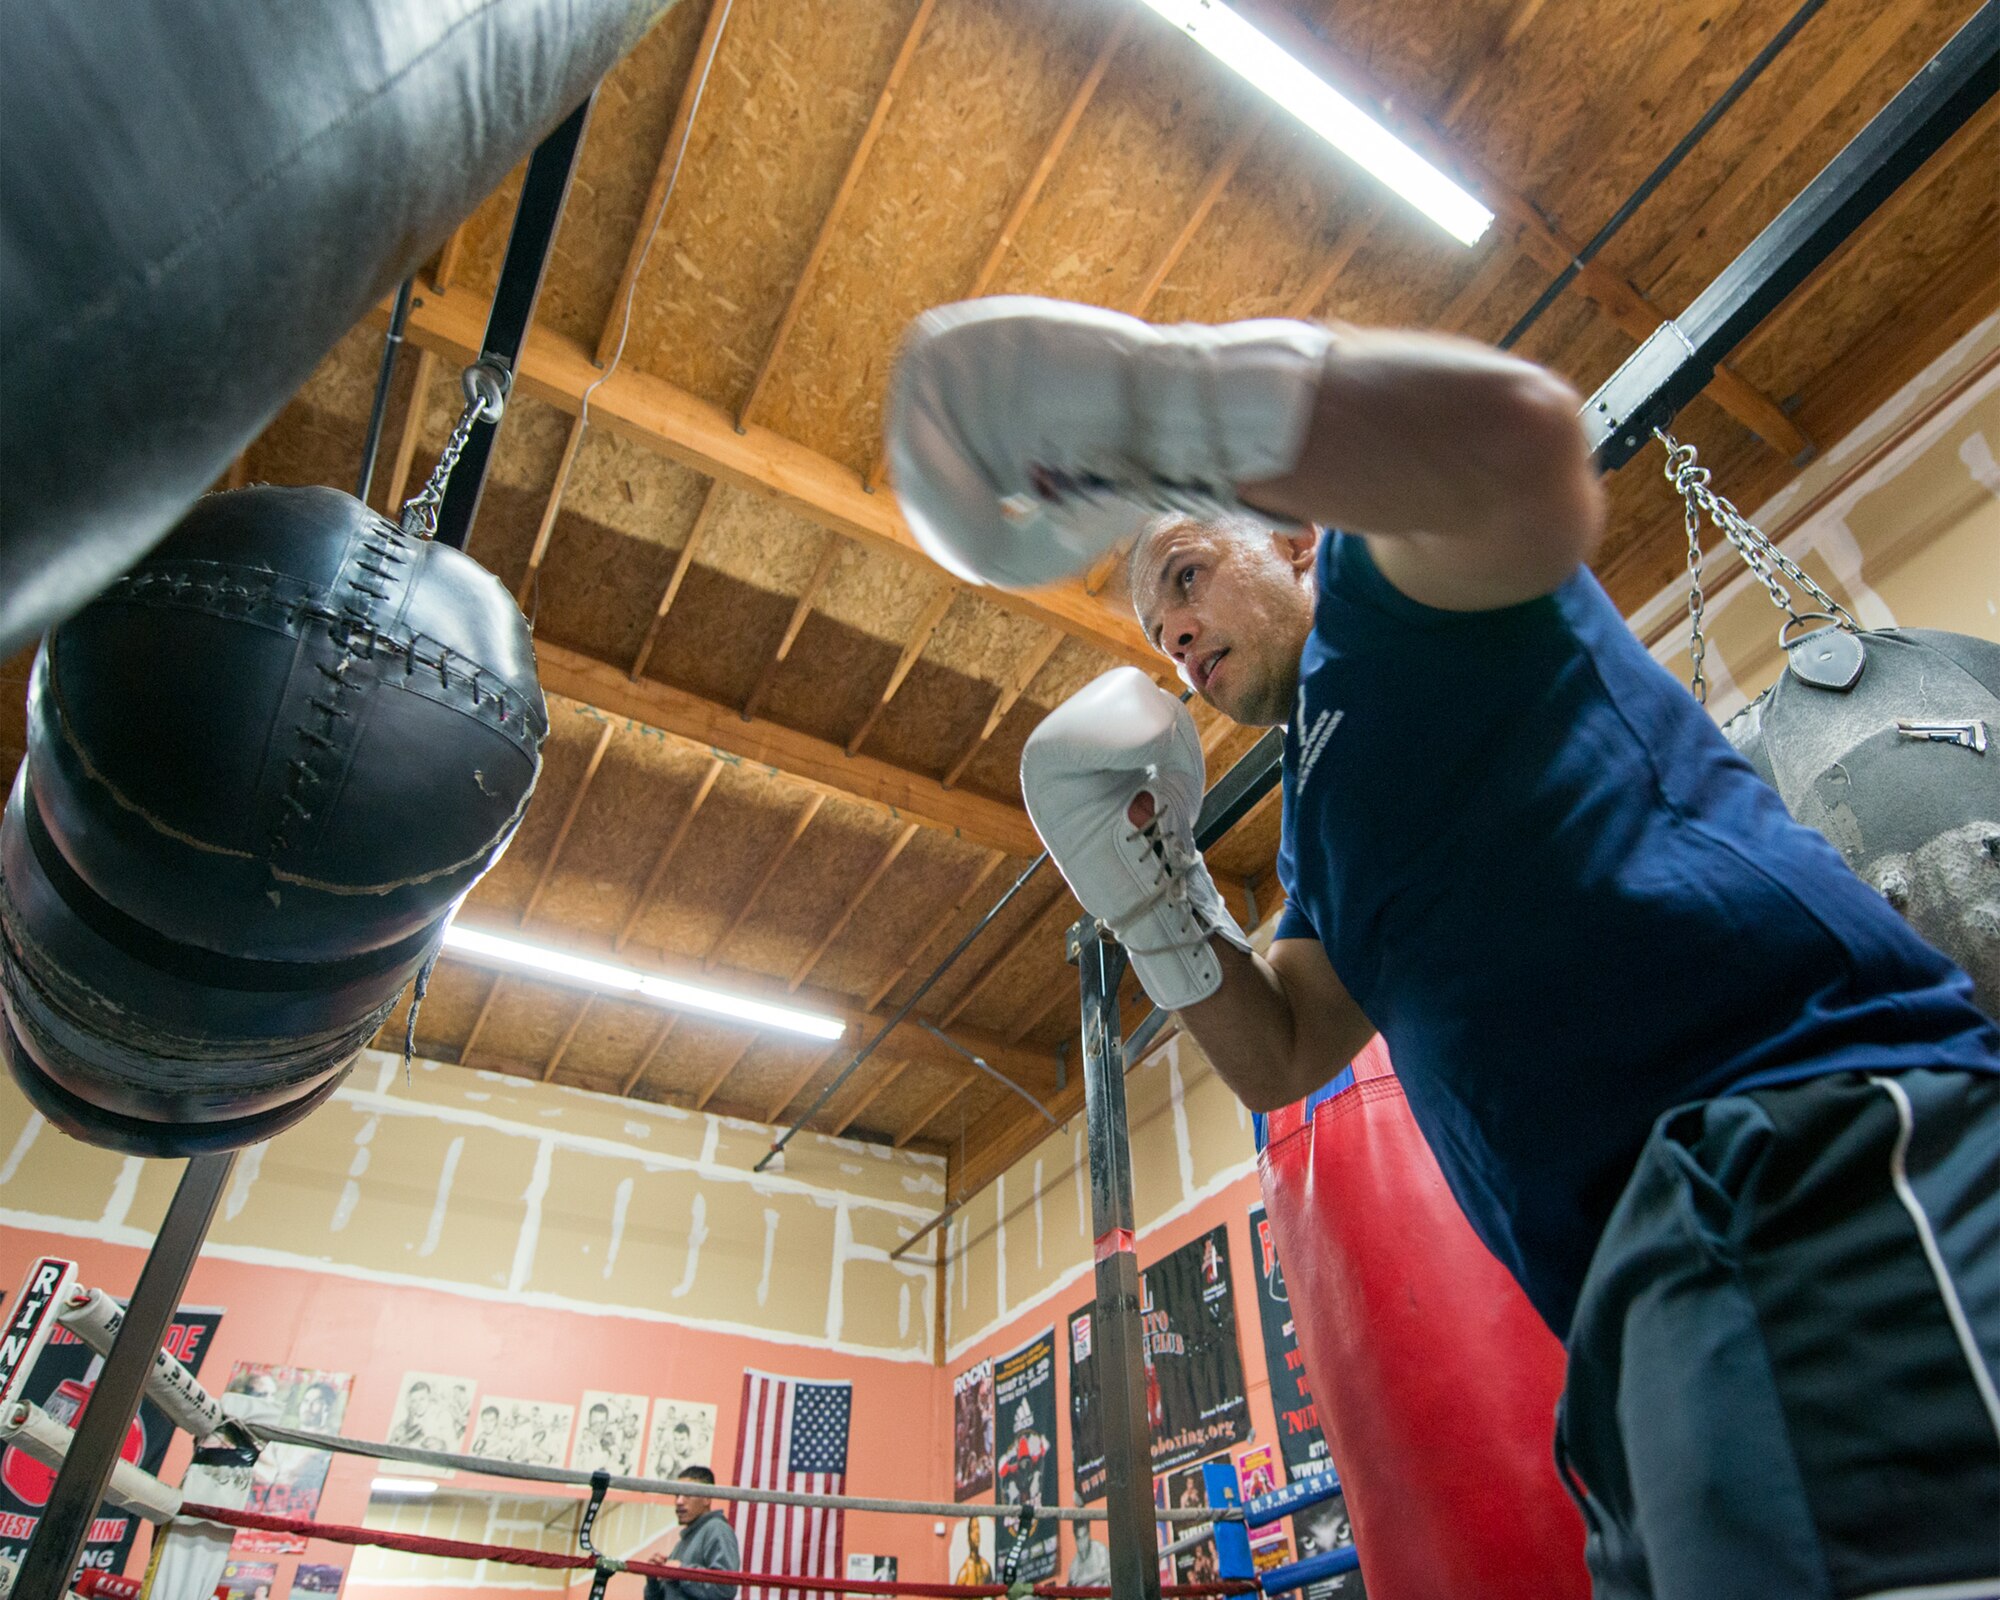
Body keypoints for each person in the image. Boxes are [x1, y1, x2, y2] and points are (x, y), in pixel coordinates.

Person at [886, 296, 2000, 1600]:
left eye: (1184, 577)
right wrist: (1152, 894)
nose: (1174, 635)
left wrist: (1156, 416)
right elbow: (1286, 1049)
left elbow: (1522, 449)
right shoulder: (1321, 820)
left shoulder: (1393, 587)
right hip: (1624, 1308)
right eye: (1156, 631)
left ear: (1295, 538)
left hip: (1803, 1161)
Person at [644, 1465, 740, 1600]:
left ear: (707, 1497)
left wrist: (682, 1572)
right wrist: (652, 1579)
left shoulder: (717, 1529)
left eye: (687, 1494)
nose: (679, 1501)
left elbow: (725, 1589)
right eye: (677, 1495)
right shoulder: (682, 1543)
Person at [1065, 1522, 1109, 1588]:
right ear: (1075, 1539)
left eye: (1085, 1536)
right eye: (1079, 1538)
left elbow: (1111, 1576)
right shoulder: (1074, 1569)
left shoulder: (1101, 1552)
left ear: (1089, 1534)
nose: (1083, 1542)